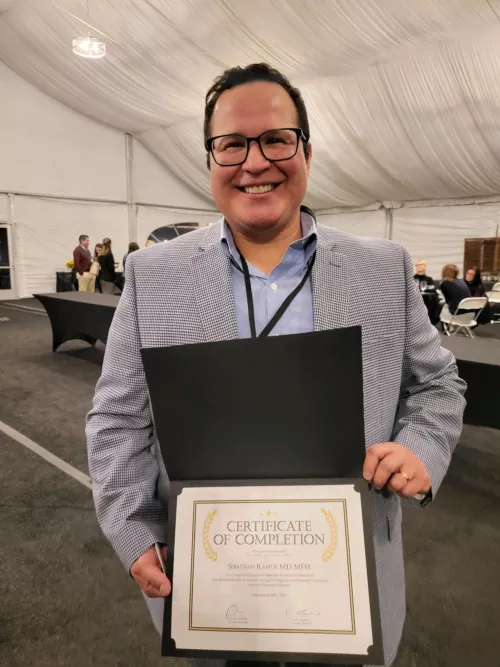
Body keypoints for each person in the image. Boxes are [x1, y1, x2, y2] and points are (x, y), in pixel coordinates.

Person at [86, 63, 466, 667]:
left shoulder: (381, 267)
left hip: (350, 586)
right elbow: (116, 419)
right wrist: (134, 531)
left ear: (306, 152)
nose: (255, 162)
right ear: (211, 160)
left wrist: (421, 448)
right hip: (208, 587)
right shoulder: (153, 276)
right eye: (232, 144)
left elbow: (437, 384)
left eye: (275, 140)